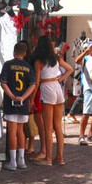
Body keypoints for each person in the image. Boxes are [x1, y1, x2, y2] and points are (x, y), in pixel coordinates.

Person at [32, 36, 73, 165]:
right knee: (58, 126)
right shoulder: (56, 58)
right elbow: (70, 69)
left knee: (48, 127)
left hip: (47, 87)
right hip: (57, 87)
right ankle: (60, 157)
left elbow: (37, 82)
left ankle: (48, 158)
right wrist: (60, 79)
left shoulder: (39, 61)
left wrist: (32, 99)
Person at [0, 41, 36, 171]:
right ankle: (21, 160)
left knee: (12, 131)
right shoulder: (28, 67)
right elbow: (32, 85)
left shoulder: (8, 65)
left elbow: (3, 83)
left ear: (14, 52)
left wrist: (12, 96)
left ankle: (13, 161)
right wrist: (23, 97)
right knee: (21, 131)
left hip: (11, 103)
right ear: (25, 54)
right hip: (23, 103)